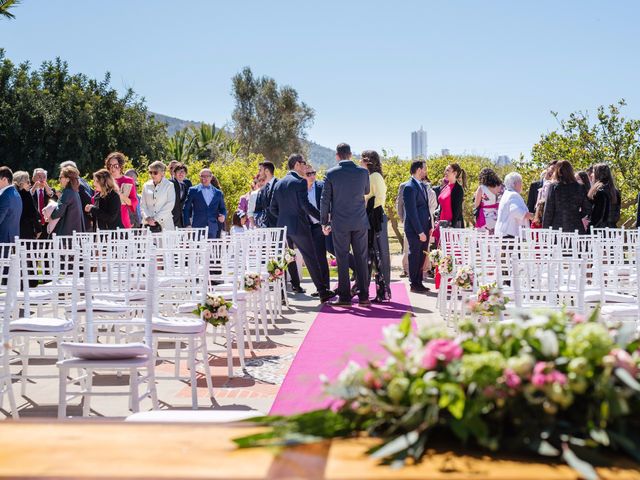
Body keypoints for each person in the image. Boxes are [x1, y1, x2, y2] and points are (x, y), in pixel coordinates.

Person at [270, 154, 333, 303]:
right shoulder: (299, 182)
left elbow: (272, 208)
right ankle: (322, 292)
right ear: (297, 164)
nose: (305, 167)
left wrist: (284, 217)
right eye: (304, 163)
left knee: (284, 261)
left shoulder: (278, 184)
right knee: (311, 258)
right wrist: (322, 218)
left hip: (282, 229)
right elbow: (306, 206)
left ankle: (281, 295)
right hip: (299, 227)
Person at [320, 143, 370, 307]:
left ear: (337, 156)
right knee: (361, 258)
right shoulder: (363, 172)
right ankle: (364, 296)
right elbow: (366, 191)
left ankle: (345, 298)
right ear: (350, 154)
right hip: (360, 221)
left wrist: (324, 222)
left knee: (342, 258)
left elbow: (324, 200)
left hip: (340, 223)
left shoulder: (331, 173)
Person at [361, 150, 391, 302]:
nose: (359, 162)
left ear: (367, 161)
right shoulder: (373, 176)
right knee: (375, 255)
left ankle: (383, 292)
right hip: (374, 218)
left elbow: (373, 198)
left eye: (361, 159)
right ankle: (378, 291)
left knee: (380, 255)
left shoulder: (373, 177)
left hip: (376, 219)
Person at [402, 161, 432, 293]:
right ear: (419, 169)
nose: (426, 171)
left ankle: (419, 282)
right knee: (414, 256)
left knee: (421, 256)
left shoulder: (422, 186)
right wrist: (420, 231)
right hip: (415, 230)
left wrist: (428, 226)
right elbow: (412, 212)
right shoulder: (409, 187)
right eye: (424, 169)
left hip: (424, 228)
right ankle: (413, 283)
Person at [542, 160, 591, 233]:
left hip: (557, 228)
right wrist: (576, 216)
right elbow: (587, 208)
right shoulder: (580, 187)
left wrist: (545, 231)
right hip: (576, 227)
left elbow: (548, 211)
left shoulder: (553, 187)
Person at [304, 165, 331, 295]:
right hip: (309, 227)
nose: (312, 176)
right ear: (303, 175)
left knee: (322, 257)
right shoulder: (301, 189)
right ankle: (320, 287)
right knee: (314, 258)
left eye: (313, 173)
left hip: (322, 226)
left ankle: (326, 287)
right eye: (308, 174)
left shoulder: (321, 186)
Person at [183, 168, 227, 239]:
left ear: (211, 177)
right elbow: (186, 208)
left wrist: (223, 216)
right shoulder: (193, 190)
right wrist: (187, 224)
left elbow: (223, 208)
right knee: (197, 249)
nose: (204, 178)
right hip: (197, 227)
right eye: (202, 176)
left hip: (213, 227)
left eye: (206, 176)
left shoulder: (218, 193)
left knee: (212, 249)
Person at [105, 152, 138, 229]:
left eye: (115, 166)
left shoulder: (128, 180)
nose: (112, 168)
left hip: (123, 220)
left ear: (120, 166)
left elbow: (134, 202)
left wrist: (122, 196)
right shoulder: (104, 180)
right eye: (110, 165)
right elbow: (95, 200)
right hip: (107, 219)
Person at [140, 161, 176, 232]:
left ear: (162, 173)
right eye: (150, 172)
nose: (152, 175)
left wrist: (155, 219)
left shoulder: (169, 185)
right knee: (147, 243)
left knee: (166, 243)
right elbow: (142, 205)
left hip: (165, 224)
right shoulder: (146, 185)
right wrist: (147, 217)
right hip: (148, 224)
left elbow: (170, 204)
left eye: (155, 173)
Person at [49, 166, 85, 236]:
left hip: (67, 236)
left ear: (68, 179)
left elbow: (57, 213)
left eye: (60, 177)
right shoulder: (74, 192)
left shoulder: (67, 192)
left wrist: (49, 209)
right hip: (74, 235)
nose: (59, 180)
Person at [495, 172, 533, 238]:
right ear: (514, 184)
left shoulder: (507, 194)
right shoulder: (513, 195)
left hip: (505, 233)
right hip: (510, 235)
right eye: (520, 182)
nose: (522, 185)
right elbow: (515, 211)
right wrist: (533, 217)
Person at [588, 163, 618, 230]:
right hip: (612, 230)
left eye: (593, 172)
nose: (591, 175)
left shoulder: (599, 191)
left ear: (597, 174)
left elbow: (597, 215)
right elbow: (616, 214)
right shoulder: (615, 191)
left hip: (598, 231)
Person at [473, 168, 503, 234]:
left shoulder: (482, 188)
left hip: (485, 218)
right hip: (499, 217)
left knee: (485, 241)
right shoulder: (501, 187)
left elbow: (476, 205)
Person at [436, 163, 466, 229]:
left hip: (452, 225)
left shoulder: (458, 189)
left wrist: (452, 226)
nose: (445, 172)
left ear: (455, 173)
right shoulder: (444, 187)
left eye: (448, 170)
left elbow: (457, 210)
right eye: (445, 170)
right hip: (442, 223)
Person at [14, 171, 41, 239]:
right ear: (21, 183)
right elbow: (33, 212)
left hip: (14, 230)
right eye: (28, 182)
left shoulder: (13, 193)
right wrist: (38, 229)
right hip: (26, 230)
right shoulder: (26, 193)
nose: (30, 184)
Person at [30, 168, 57, 236]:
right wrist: (33, 189)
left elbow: (55, 201)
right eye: (39, 177)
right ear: (33, 179)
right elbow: (27, 199)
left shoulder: (50, 191)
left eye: (44, 177)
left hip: (47, 224)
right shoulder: (30, 191)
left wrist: (48, 190)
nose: (42, 179)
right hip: (34, 225)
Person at [0, 167, 23, 243]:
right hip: (13, 239)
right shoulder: (16, 194)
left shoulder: (5, 195)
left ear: (4, 179)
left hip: (3, 240)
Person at [254, 161, 278, 228]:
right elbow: (257, 210)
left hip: (278, 228)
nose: (259, 173)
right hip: (264, 229)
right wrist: (260, 221)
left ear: (267, 171)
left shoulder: (280, 186)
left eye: (260, 170)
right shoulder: (262, 190)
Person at [170, 163, 190, 228]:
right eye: (179, 172)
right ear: (174, 173)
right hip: (170, 217)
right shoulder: (170, 184)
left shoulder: (185, 185)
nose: (181, 174)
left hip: (180, 220)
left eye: (183, 172)